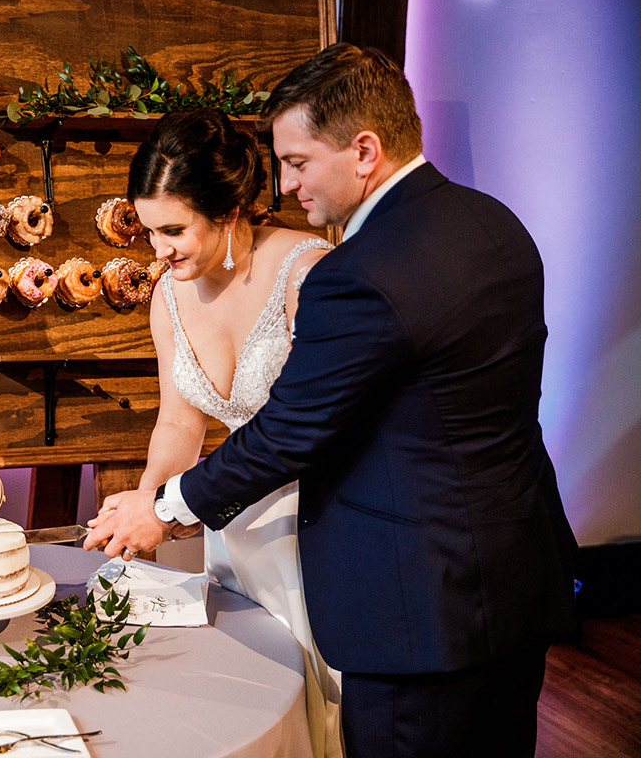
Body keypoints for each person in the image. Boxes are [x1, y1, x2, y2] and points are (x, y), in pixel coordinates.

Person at [85, 44, 578, 758]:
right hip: (511, 579)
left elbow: (290, 431)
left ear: (365, 150)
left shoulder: (352, 273)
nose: (284, 186)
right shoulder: (494, 225)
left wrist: (162, 510)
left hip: (406, 596)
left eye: (297, 162)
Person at [125, 107, 340, 757]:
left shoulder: (307, 272)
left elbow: (322, 424)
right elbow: (177, 421)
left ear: (228, 211)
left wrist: (165, 508)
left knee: (327, 709)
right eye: (147, 231)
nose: (157, 251)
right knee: (251, 701)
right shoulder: (168, 295)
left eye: (172, 230)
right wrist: (147, 507)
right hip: (232, 529)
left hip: (318, 530)